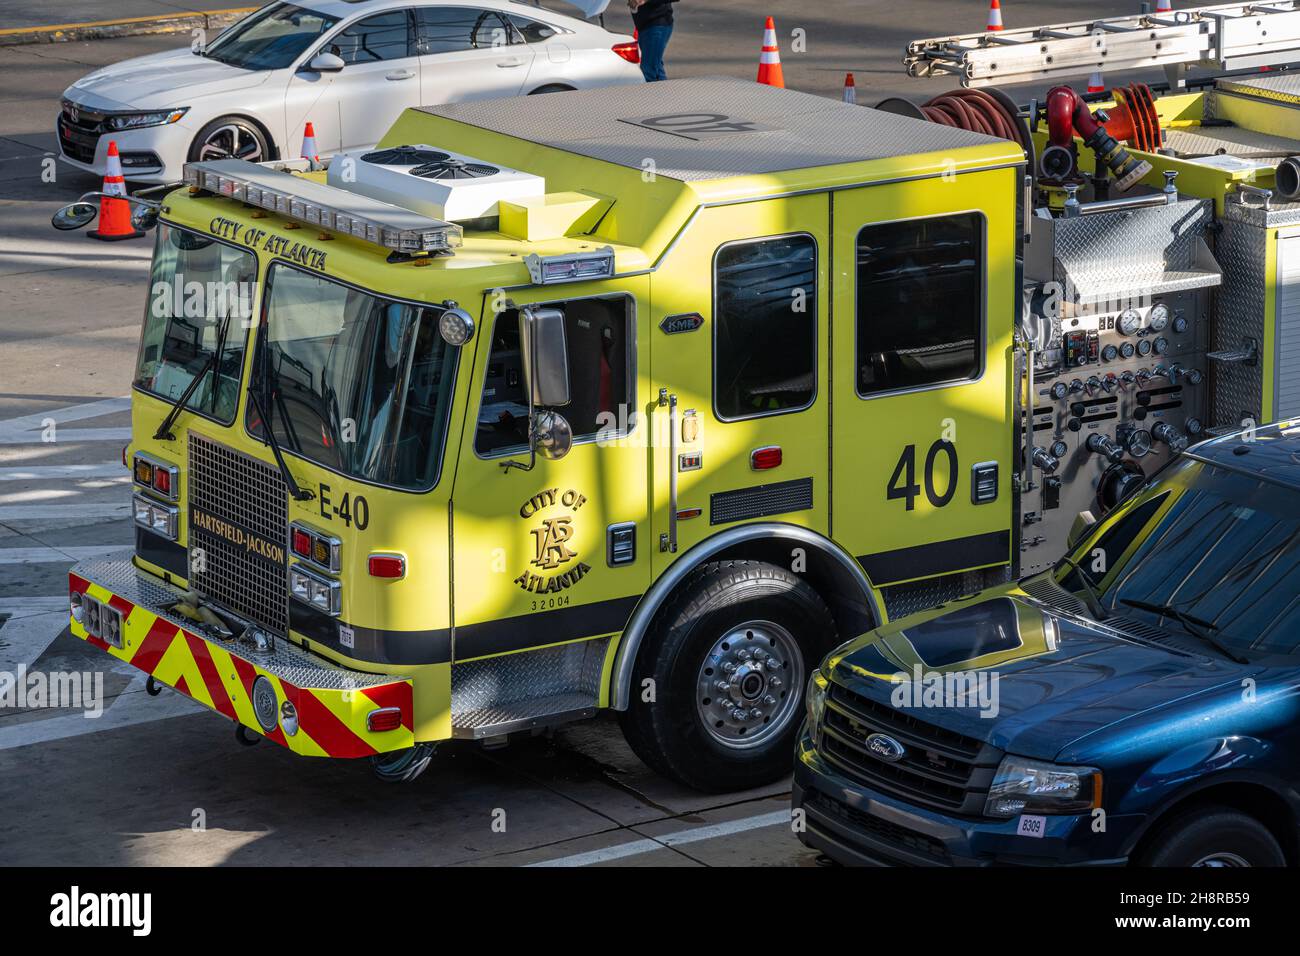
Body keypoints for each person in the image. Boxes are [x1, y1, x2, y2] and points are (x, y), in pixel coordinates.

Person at [630, 0, 677, 82]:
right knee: (656, 69)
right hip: (645, 26)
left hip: (656, 25)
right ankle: (663, 93)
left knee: (648, 73)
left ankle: (650, 94)